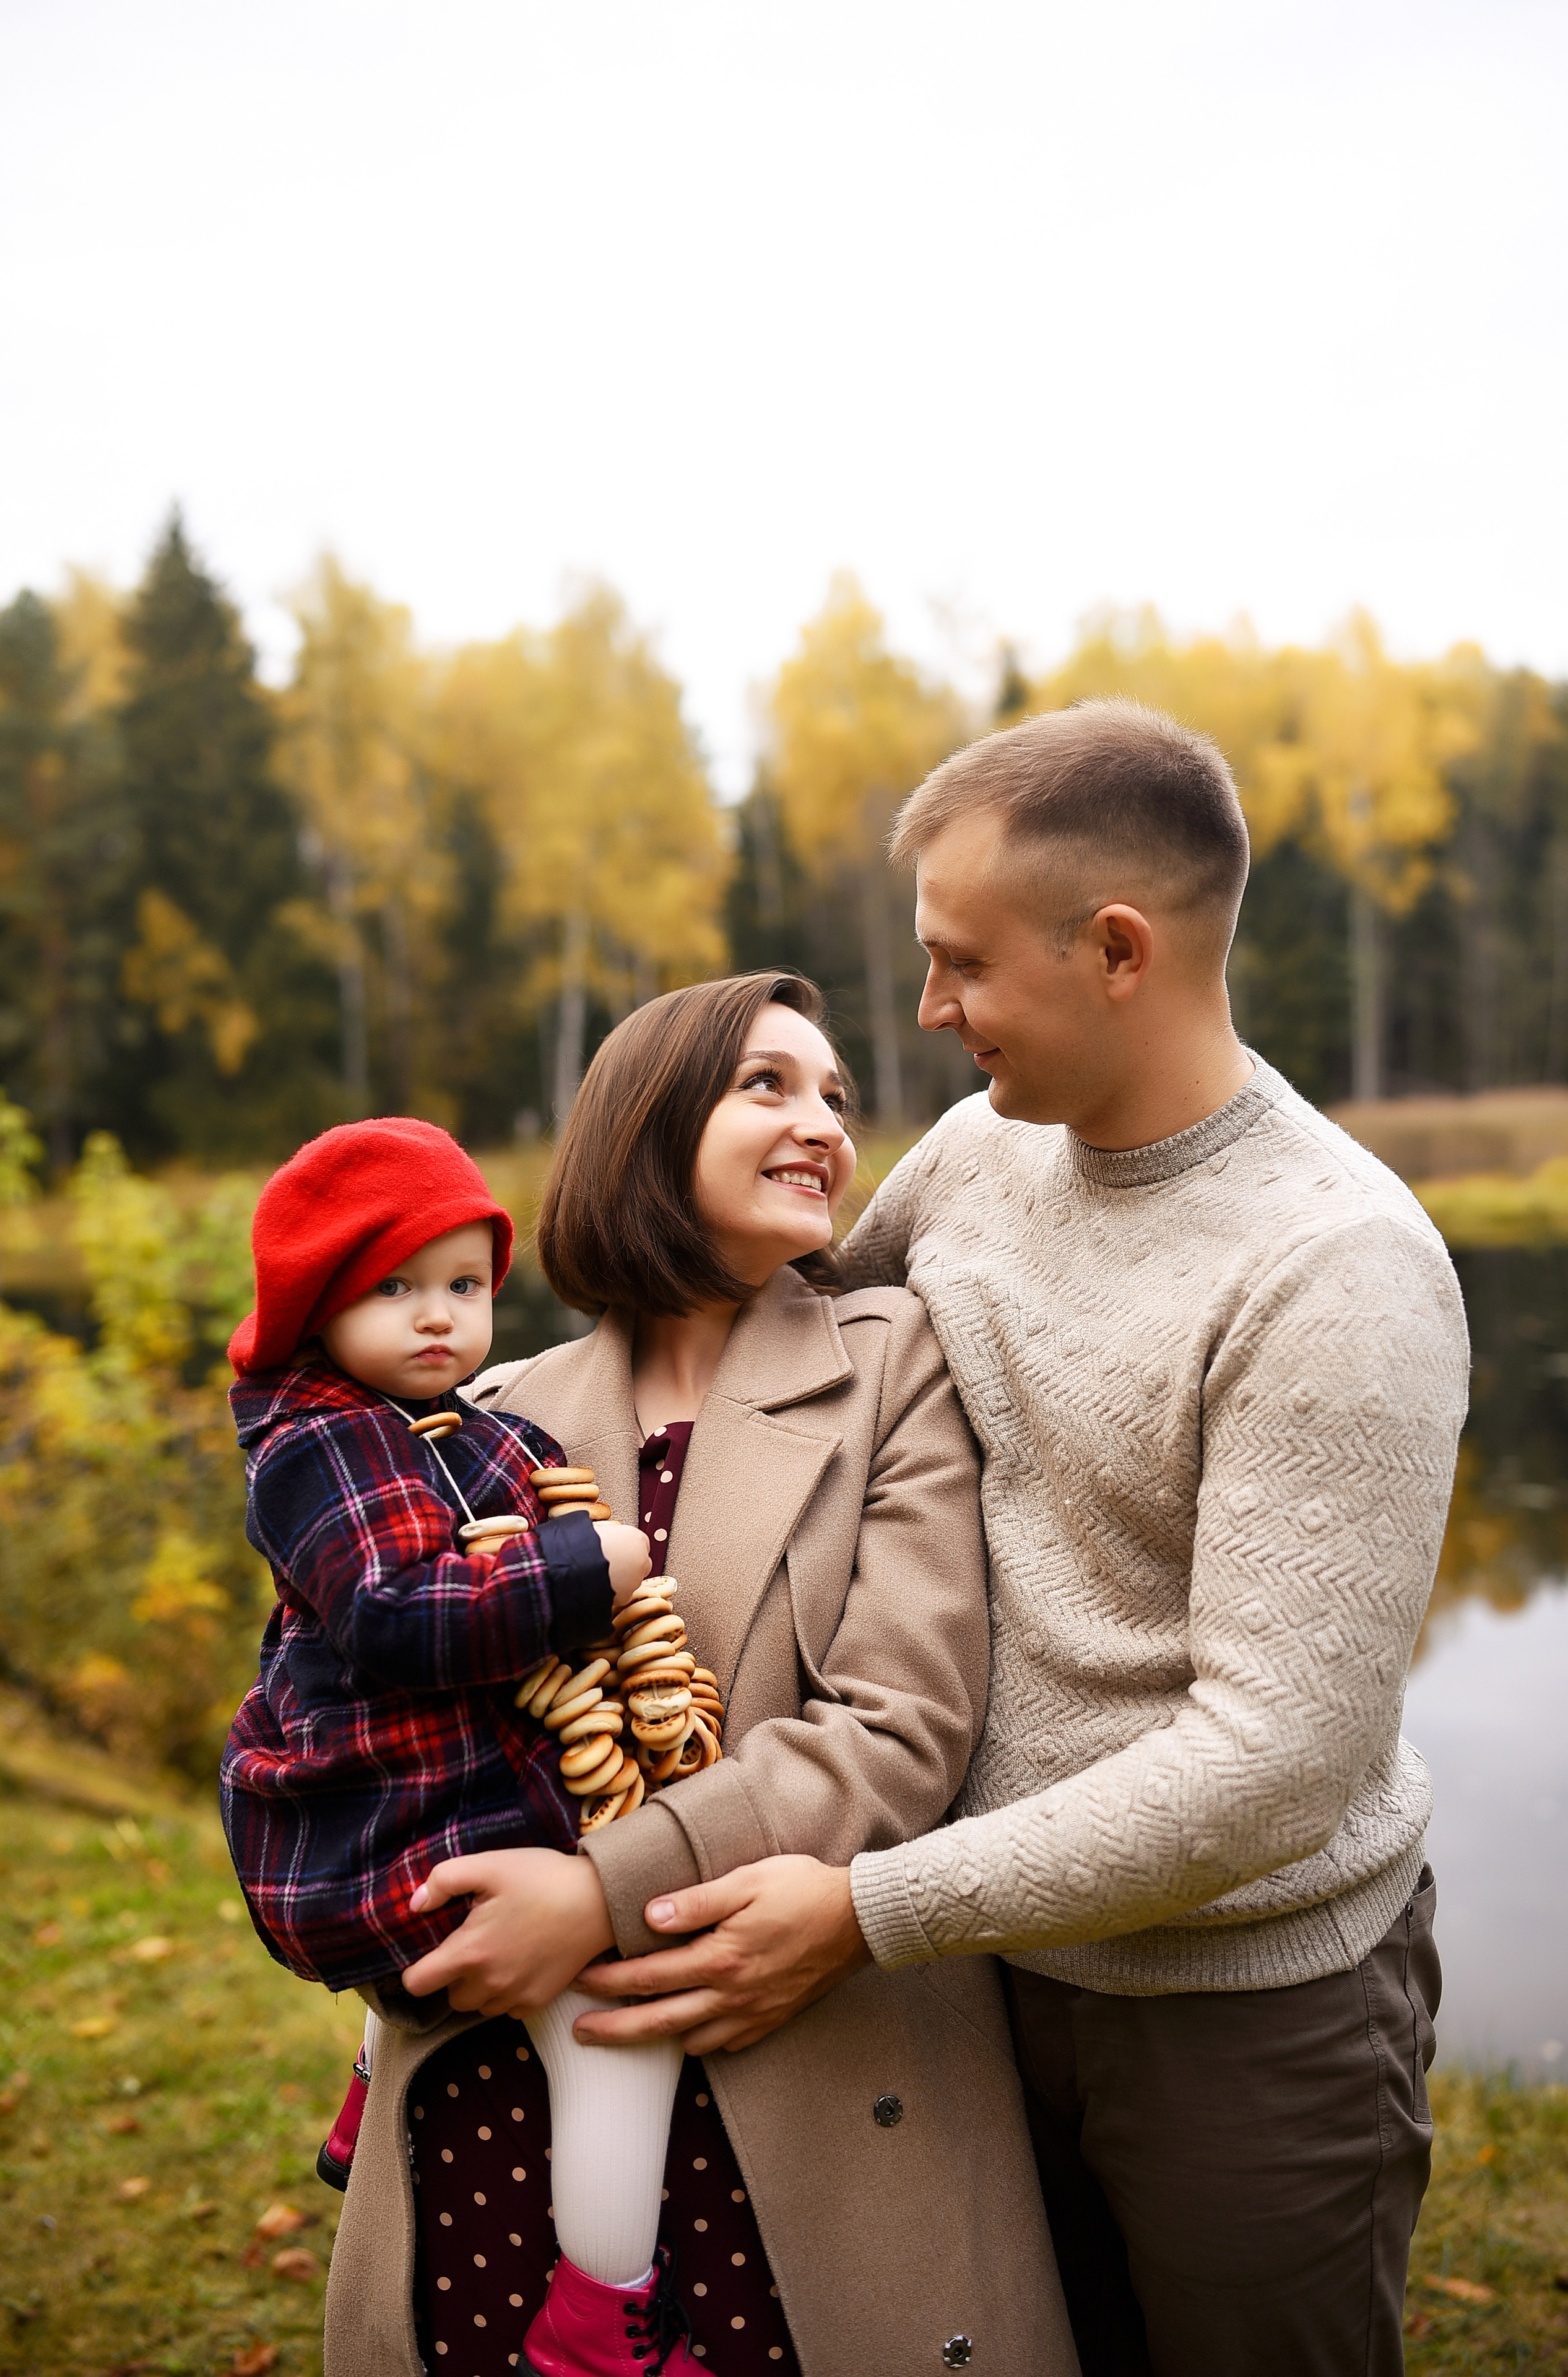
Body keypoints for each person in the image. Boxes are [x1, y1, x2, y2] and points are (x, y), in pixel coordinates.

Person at [565, 704, 1468, 2377]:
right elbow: (780, 1343)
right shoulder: (983, 1154)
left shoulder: (1338, 1268)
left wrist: (868, 1908)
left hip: (1239, 2019)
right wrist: (444, 1436)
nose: (930, 1011)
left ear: (1116, 950)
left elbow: (1274, 1759)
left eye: (961, 963)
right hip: (975, 1986)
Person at [323, 971, 1076, 2377]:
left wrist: (598, 1893)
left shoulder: (891, 1365)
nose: (824, 1127)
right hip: (501, 2080)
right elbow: (381, 1703)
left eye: (836, 1098)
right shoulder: (491, 1410)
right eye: (768, 1086)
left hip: (798, 2065)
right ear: (648, 1127)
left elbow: (895, 1733)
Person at [219, 1115, 697, 2376]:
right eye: (392, 1289)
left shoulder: (452, 1421)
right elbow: (391, 1613)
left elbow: (520, 1500)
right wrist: (587, 1570)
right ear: (316, 1302)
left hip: (440, 1789)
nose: (438, 1319)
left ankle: (377, 2076)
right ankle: (602, 2318)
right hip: (379, 1806)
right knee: (619, 2029)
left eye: (464, 1287)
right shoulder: (317, 1441)